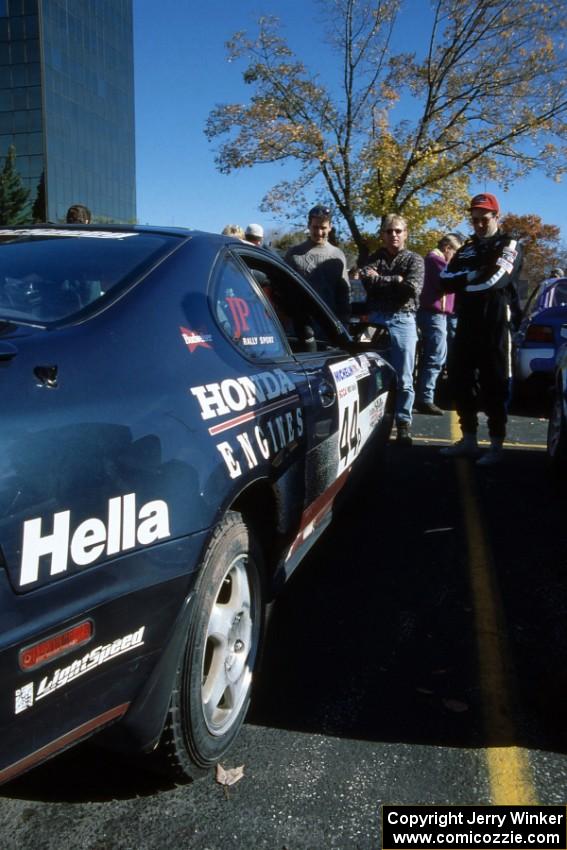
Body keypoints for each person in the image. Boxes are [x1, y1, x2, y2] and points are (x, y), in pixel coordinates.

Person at [439, 192, 523, 466]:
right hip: (467, 322)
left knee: (495, 383)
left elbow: (497, 279)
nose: (478, 225)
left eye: (483, 219)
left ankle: (497, 444)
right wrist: (473, 275)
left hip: (496, 323)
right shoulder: (466, 249)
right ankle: (469, 439)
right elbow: (444, 279)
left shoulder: (508, 243)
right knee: (461, 379)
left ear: (496, 217)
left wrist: (465, 282)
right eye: (473, 220)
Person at [359, 214, 424, 446]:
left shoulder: (415, 260)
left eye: (398, 231)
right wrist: (395, 279)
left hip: (403, 320)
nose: (393, 235)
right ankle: (371, 423)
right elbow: (365, 279)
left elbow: (410, 288)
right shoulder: (374, 257)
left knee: (404, 377)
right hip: (376, 320)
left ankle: (403, 423)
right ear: (382, 234)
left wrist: (384, 280)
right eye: (389, 231)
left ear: (406, 233)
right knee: (370, 374)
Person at [414, 233, 462, 415]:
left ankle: (424, 395)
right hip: (434, 315)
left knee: (434, 356)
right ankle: (425, 397)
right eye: (455, 253)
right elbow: (448, 282)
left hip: (436, 315)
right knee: (435, 356)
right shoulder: (436, 261)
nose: (455, 258)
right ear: (447, 248)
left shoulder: (432, 261)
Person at [284, 205, 350, 325]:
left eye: (323, 228)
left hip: (330, 325)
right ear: (309, 226)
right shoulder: (294, 254)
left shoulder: (338, 255)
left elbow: (343, 293)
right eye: (315, 227)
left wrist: (345, 322)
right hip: (300, 326)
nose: (319, 232)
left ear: (330, 227)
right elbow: (284, 289)